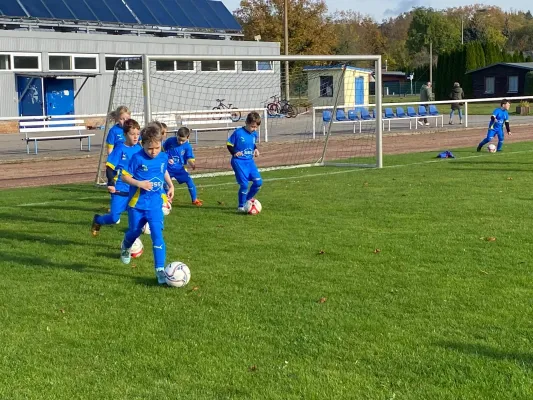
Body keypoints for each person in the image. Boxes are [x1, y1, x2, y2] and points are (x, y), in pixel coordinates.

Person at [119, 124, 175, 285]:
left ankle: (160, 270)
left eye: (157, 148)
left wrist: (170, 185)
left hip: (155, 205)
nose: (154, 151)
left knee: (157, 236)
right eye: (150, 148)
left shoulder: (163, 157)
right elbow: (124, 177)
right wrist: (139, 183)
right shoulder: (137, 158)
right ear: (142, 144)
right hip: (137, 204)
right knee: (134, 231)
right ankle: (126, 245)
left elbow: (163, 170)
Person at [91, 119, 142, 236]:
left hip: (134, 189)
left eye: (137, 134)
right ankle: (98, 220)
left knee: (135, 218)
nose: (135, 137)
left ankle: (132, 242)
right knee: (114, 218)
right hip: (120, 188)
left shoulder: (139, 149)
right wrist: (111, 183)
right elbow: (110, 168)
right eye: (132, 134)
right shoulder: (119, 149)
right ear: (125, 134)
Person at [227, 112, 262, 212]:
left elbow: (252, 143)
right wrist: (234, 152)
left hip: (250, 162)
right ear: (246, 123)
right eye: (252, 126)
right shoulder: (238, 133)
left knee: (258, 182)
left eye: (256, 127)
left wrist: (255, 149)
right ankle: (241, 206)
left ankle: (247, 200)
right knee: (244, 185)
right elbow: (229, 144)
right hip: (239, 162)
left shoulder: (254, 134)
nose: (254, 129)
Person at [163, 126, 203, 206]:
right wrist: (166, 158)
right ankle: (167, 200)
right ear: (176, 135)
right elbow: (162, 150)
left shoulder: (187, 146)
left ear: (188, 137)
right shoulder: (170, 141)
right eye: (179, 139)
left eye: (183, 140)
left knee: (189, 181)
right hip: (167, 168)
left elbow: (189, 157)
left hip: (179, 169)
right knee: (165, 184)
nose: (180, 142)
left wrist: (192, 164)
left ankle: (194, 199)